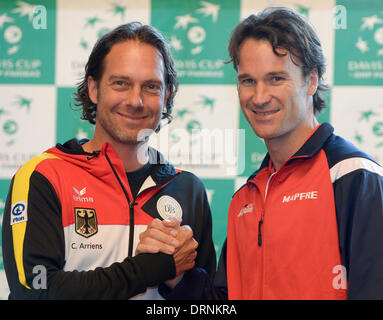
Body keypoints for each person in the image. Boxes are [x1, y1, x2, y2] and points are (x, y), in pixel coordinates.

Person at [137, 7, 383, 300]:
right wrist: (177, 275)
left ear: (312, 80)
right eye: (248, 81)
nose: (259, 97)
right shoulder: (247, 197)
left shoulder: (353, 177)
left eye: (276, 79)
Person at [1, 22, 216, 299]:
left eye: (151, 86)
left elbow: (209, 303)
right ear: (93, 88)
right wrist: (149, 269)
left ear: (166, 96)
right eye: (121, 83)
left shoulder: (188, 189)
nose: (135, 100)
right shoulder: (44, 176)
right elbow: (35, 291)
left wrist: (178, 279)